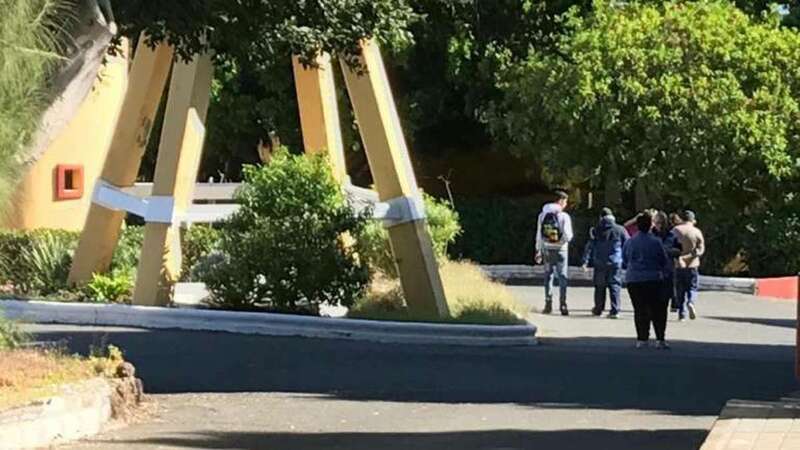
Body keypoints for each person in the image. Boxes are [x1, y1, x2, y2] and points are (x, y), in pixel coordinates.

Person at [622, 211, 671, 349]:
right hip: (653, 278)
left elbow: (625, 259)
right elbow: (663, 260)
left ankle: (642, 339)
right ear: (650, 225)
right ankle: (660, 339)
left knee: (639, 309)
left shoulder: (630, 241)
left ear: (637, 226)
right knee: (658, 309)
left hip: (634, 279)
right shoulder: (656, 242)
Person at [581, 207, 629, 318]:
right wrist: (627, 260)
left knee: (599, 286)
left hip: (600, 262)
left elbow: (590, 246)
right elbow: (627, 244)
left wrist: (585, 261)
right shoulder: (620, 229)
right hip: (616, 262)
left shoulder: (596, 230)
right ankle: (615, 310)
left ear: (601, 217)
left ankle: (598, 309)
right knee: (615, 285)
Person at [535, 190, 574, 315]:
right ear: (561, 201)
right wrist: (561, 241)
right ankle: (563, 304)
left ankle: (548, 304)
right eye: (565, 201)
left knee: (548, 276)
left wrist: (538, 250)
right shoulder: (564, 216)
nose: (566, 204)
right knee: (562, 276)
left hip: (546, 249)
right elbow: (568, 235)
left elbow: (539, 234)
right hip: (561, 250)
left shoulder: (542, 215)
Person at [673, 210, 705, 320]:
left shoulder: (676, 231)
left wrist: (679, 258)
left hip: (678, 265)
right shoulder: (696, 232)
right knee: (692, 287)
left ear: (681, 219)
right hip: (693, 265)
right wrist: (692, 255)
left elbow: (670, 247)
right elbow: (700, 249)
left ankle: (682, 313)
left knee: (680, 289)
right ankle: (691, 301)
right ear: (692, 220)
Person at [653, 211, 682, 315]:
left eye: (661, 223)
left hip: (667, 269)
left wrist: (667, 252)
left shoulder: (671, 236)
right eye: (656, 222)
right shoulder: (650, 235)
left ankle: (673, 304)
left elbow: (679, 250)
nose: (658, 225)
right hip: (653, 269)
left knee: (667, 292)